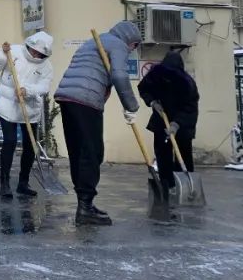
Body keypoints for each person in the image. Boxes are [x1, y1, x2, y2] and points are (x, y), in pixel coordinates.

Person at [54, 20, 142, 226]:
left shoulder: (94, 42)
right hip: (86, 100)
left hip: (67, 97)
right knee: (92, 153)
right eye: (135, 45)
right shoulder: (118, 45)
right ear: (129, 39)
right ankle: (85, 208)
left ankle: (84, 204)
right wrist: (131, 106)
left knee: (79, 152)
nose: (133, 50)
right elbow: (119, 75)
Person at [0, 32, 55, 199]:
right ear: (29, 46)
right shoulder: (14, 51)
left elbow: (44, 87)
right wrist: (2, 54)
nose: (36, 55)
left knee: (30, 145)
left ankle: (23, 183)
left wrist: (28, 91)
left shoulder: (47, 67)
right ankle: (4, 183)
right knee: (9, 141)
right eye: (34, 51)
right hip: (7, 105)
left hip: (30, 108)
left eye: (40, 54)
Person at [137, 50, 199, 192]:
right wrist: (152, 102)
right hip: (161, 119)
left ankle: (184, 186)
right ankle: (166, 185)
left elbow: (190, 108)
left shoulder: (187, 84)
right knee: (163, 154)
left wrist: (177, 124)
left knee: (183, 155)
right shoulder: (156, 75)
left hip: (182, 124)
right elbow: (143, 89)